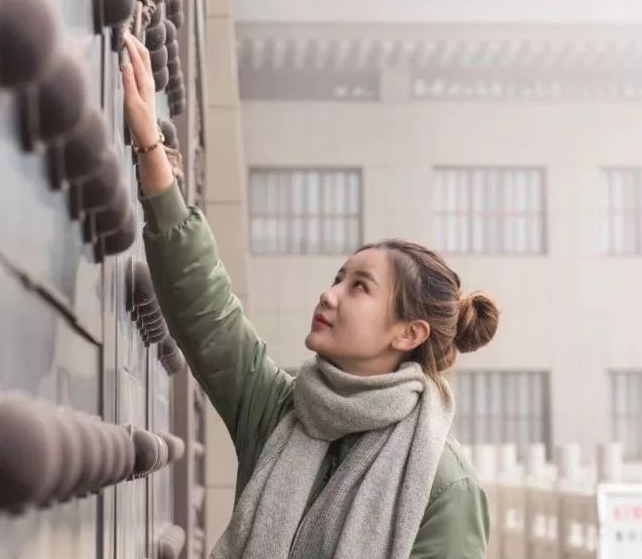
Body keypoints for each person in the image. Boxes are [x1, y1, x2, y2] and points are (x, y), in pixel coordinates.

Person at [120, 32, 499, 559]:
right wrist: (151, 152)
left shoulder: (444, 484)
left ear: (409, 332)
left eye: (359, 287)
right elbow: (208, 316)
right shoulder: (283, 410)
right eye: (339, 277)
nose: (330, 294)